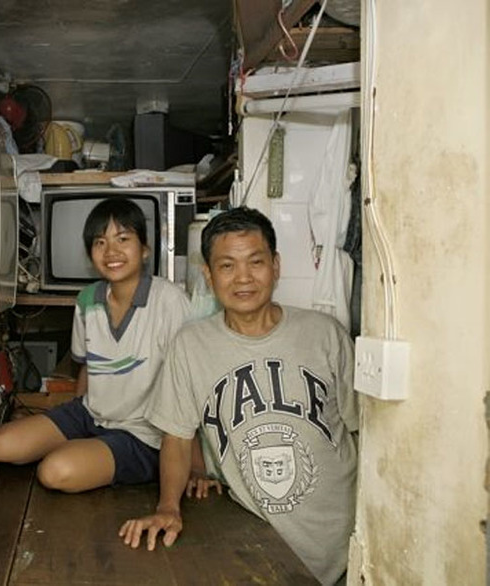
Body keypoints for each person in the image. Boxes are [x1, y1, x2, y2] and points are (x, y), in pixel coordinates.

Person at [119, 207, 358, 586]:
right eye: (227, 266)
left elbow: (362, 431)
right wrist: (168, 507)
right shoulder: (191, 345)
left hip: (345, 547)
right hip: (261, 545)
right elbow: (177, 438)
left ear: (276, 266)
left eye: (256, 262)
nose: (243, 278)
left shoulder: (325, 334)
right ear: (209, 275)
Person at [0, 198, 194, 492]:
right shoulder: (87, 299)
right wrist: (76, 426)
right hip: (91, 415)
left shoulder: (170, 301)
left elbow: (192, 383)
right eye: (100, 242)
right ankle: (91, 452)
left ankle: (124, 460)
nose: (111, 251)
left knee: (55, 471)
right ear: (90, 253)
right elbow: (86, 368)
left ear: (145, 249)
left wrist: (195, 461)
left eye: (123, 239)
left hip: (145, 433)